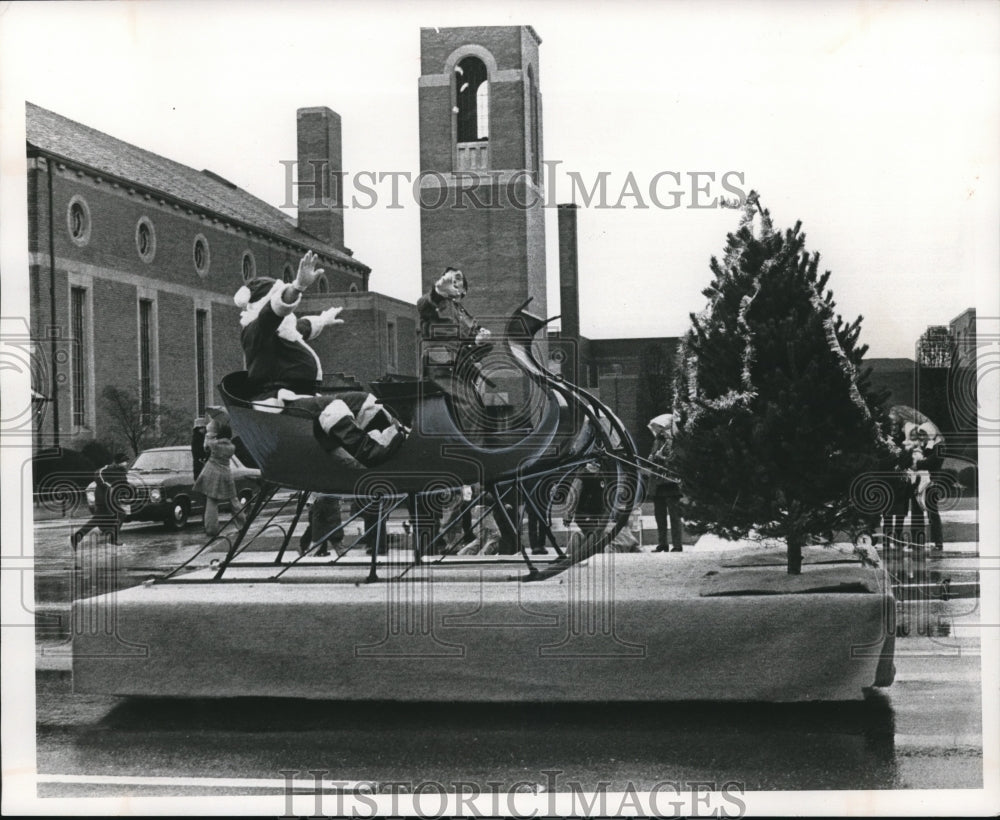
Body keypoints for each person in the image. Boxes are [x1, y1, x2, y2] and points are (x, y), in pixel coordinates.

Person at [236, 250, 405, 467]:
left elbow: (302, 327)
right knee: (333, 407)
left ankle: (392, 440)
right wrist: (297, 287)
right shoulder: (255, 330)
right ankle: (371, 454)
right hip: (280, 407)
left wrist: (323, 320)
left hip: (301, 402)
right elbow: (272, 313)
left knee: (364, 401)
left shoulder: (281, 331)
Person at [193, 410, 246, 537]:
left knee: (212, 501)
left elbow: (206, 443)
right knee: (234, 500)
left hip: (212, 472)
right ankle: (242, 524)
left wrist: (210, 429)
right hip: (226, 473)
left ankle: (212, 529)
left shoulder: (213, 445)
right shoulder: (231, 447)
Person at [71, 452, 131, 549]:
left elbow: (124, 483)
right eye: (124, 461)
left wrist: (128, 491)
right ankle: (77, 537)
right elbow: (98, 476)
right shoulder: (106, 469)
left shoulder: (122, 472)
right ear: (118, 461)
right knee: (113, 516)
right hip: (103, 498)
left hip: (112, 499)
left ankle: (111, 539)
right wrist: (110, 487)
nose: (126, 463)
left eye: (126, 461)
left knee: (118, 515)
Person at [649, 416, 684, 552]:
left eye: (657, 427)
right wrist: (652, 458)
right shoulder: (657, 440)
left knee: (674, 517)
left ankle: (677, 545)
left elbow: (675, 459)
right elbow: (653, 457)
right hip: (658, 483)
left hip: (671, 483)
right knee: (659, 516)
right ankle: (662, 543)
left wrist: (660, 457)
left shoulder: (674, 441)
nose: (655, 430)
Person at [909, 426, 945, 552]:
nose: (922, 437)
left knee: (932, 513)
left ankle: (938, 542)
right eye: (921, 435)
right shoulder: (925, 446)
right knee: (916, 513)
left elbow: (933, 462)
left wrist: (917, 464)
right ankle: (916, 541)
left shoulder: (939, 446)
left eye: (924, 434)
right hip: (918, 482)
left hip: (932, 483)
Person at [191, 416, 208, 481]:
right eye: (203, 428)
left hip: (197, 463)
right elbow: (198, 451)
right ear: (199, 428)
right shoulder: (197, 438)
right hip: (199, 463)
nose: (205, 430)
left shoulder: (198, 437)